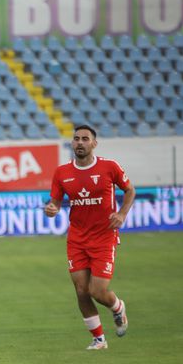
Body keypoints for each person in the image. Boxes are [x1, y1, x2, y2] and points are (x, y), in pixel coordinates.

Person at [43, 124, 135, 350]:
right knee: (82, 291)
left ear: (94, 143)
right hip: (77, 239)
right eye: (76, 139)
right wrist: (52, 208)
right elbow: (54, 201)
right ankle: (99, 339)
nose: (80, 142)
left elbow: (130, 190)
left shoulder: (109, 167)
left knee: (97, 291)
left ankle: (117, 307)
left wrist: (122, 214)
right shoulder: (62, 172)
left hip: (104, 237)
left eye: (85, 139)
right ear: (72, 143)